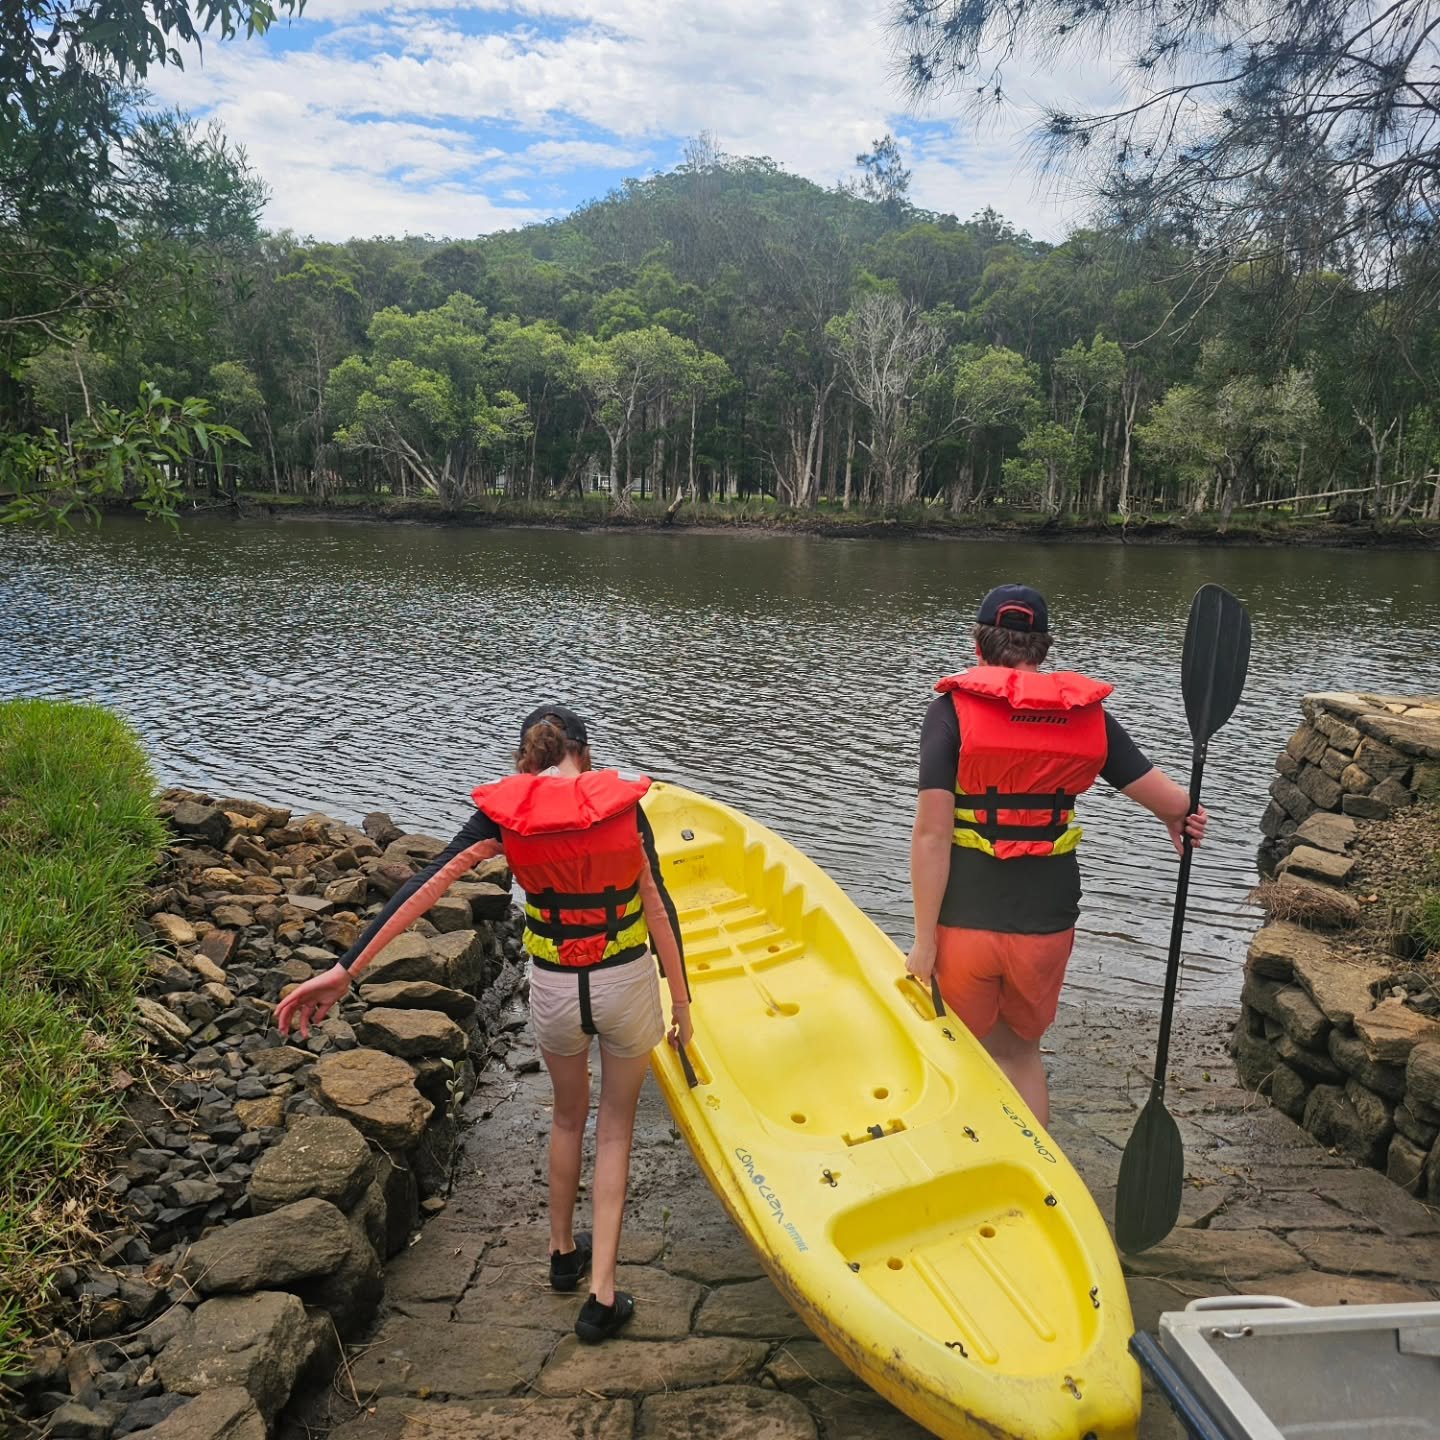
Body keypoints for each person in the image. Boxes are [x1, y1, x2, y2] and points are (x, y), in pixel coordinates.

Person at [275, 704, 692, 1344]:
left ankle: (560, 1255)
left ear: (526, 758)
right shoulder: (622, 805)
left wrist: (346, 969)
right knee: (614, 1131)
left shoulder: (505, 814)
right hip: (624, 984)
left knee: (565, 1117)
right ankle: (603, 1293)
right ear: (584, 749)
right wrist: (683, 1005)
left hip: (554, 991)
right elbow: (657, 906)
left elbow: (426, 884)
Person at [905, 584, 1206, 1125]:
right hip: (1046, 920)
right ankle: (1036, 1178)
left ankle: (964, 1168)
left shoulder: (950, 711)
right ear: (1042, 649)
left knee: (957, 1052)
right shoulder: (1086, 716)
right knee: (1019, 1054)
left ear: (978, 644)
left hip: (966, 919)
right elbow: (1177, 804)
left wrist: (924, 942)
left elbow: (931, 835)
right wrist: (1179, 817)